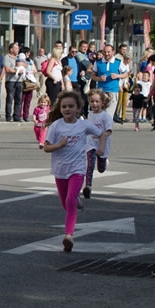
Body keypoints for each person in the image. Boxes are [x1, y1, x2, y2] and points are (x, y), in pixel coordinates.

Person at [42, 91, 109, 253]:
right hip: (60, 170)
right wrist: (59, 145)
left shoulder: (83, 125)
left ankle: (68, 236)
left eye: (71, 106)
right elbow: (46, 147)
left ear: (78, 108)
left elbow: (102, 134)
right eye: (64, 106)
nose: (67, 109)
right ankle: (77, 202)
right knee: (66, 203)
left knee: (70, 199)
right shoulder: (56, 126)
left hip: (77, 169)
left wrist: (101, 148)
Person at [81, 90, 113, 200]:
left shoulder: (105, 117)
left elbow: (109, 131)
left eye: (97, 101)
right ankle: (88, 187)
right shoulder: (90, 115)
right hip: (90, 143)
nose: (94, 104)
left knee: (101, 169)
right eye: (92, 101)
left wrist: (101, 135)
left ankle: (104, 161)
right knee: (90, 164)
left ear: (102, 103)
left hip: (102, 144)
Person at [93, 44, 127, 119]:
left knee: (109, 115)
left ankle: (106, 129)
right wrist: (99, 78)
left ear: (113, 52)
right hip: (101, 91)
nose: (107, 54)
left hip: (113, 91)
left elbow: (125, 74)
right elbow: (93, 76)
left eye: (109, 52)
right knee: (100, 114)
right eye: (105, 52)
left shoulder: (118, 62)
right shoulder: (98, 63)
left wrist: (117, 76)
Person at [3, 44, 26, 122]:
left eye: (18, 48)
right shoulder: (7, 57)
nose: (18, 49)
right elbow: (7, 69)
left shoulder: (19, 57)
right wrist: (17, 71)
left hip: (19, 81)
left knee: (18, 99)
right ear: (11, 49)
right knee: (10, 98)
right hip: (11, 81)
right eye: (16, 48)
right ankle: (8, 116)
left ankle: (16, 116)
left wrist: (22, 67)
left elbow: (25, 65)